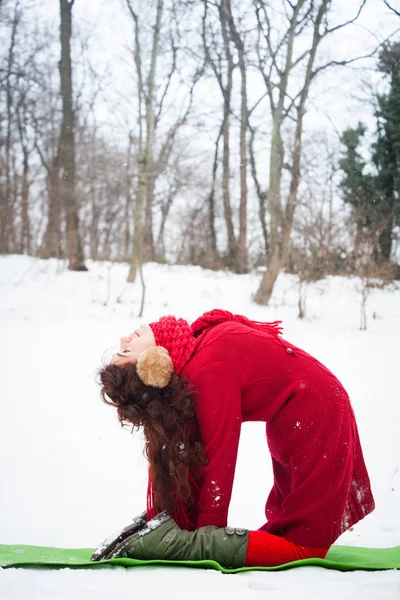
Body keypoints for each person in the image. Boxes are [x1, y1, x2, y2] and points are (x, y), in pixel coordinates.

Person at [94, 309, 375, 568]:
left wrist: (202, 541)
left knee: (301, 542)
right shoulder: (204, 365)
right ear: (151, 365)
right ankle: (170, 535)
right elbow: (217, 457)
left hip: (314, 409)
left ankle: (181, 540)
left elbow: (214, 457)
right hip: (306, 415)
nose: (124, 337)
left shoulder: (202, 353)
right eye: (126, 349)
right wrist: (185, 527)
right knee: (303, 545)